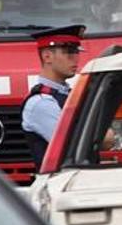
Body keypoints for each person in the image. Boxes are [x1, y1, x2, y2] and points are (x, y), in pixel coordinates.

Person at [21, 24, 85, 171]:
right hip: (59, 184)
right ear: (47, 56)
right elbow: (75, 148)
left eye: (76, 52)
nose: (75, 59)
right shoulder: (42, 103)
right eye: (69, 52)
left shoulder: (66, 94)